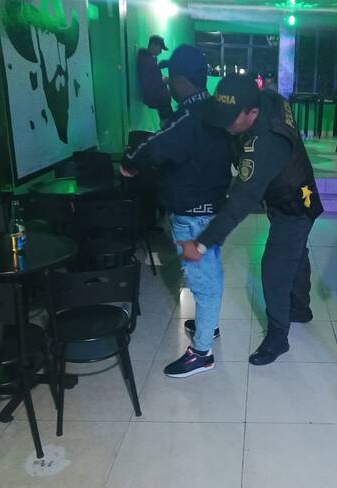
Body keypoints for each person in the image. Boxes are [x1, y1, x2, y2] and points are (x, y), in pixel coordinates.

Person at [179, 74, 324, 366]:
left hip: (294, 203)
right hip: (294, 186)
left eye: (230, 120)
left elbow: (240, 202)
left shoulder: (266, 144)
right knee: (297, 252)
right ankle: (301, 307)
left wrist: (202, 243)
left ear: (252, 112)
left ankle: (278, 337)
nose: (225, 126)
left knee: (274, 268)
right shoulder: (269, 97)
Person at [122, 44, 232, 377]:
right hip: (212, 208)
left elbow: (153, 146)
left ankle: (202, 353)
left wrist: (130, 162)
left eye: (170, 78)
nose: (168, 83)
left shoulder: (187, 117)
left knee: (202, 280)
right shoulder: (216, 111)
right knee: (210, 270)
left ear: (182, 80)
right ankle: (208, 326)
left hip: (192, 214)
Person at [137, 35, 173, 126]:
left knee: (167, 121)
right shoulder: (147, 60)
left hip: (158, 98)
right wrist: (164, 81)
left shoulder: (149, 59)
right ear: (153, 45)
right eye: (160, 48)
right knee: (168, 122)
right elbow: (150, 80)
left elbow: (152, 77)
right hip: (158, 98)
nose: (160, 51)